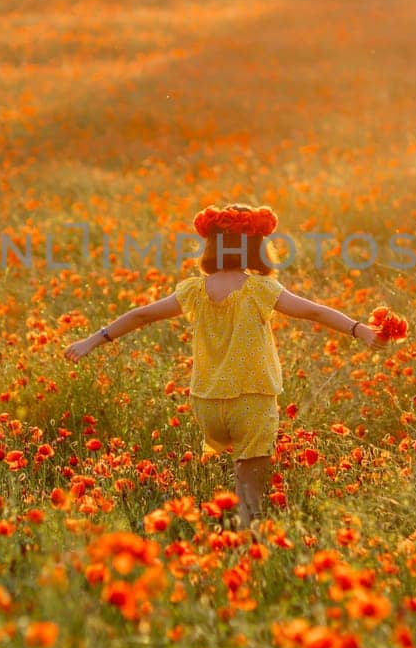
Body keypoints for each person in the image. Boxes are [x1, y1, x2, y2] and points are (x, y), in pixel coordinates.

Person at [63, 203, 387, 530]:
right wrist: (359, 329)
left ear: (212, 246)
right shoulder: (262, 289)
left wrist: (90, 341)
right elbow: (314, 312)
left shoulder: (193, 290)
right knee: (249, 492)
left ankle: (223, 532)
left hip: (206, 405)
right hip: (251, 401)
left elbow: (141, 315)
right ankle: (245, 545)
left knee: (235, 475)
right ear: (256, 247)